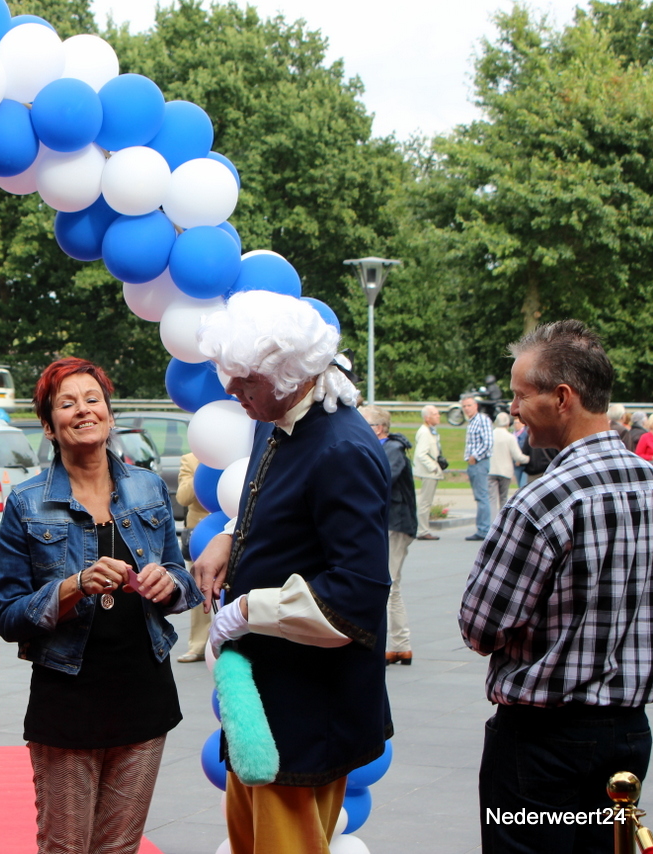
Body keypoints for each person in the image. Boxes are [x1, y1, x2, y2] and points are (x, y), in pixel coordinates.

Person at [193, 291, 392, 854]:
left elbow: (356, 593)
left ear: (290, 374)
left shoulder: (342, 448)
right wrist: (231, 538)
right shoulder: (276, 417)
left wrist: (245, 610)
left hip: (307, 706)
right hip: (268, 699)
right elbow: (290, 511)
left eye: (247, 380)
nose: (232, 391)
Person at [459, 319, 653, 854]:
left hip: (543, 743)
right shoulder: (650, 486)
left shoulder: (544, 500)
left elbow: (479, 627)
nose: (514, 408)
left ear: (563, 398)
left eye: (521, 395)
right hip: (629, 733)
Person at [0, 357, 200, 854]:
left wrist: (168, 583)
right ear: (49, 426)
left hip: (144, 693)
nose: (84, 410)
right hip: (68, 698)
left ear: (108, 413)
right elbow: (8, 615)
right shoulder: (26, 502)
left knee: (119, 847)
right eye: (67, 403)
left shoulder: (148, 487)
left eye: (93, 399)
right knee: (65, 847)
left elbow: (183, 581)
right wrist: (74, 586)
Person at [362, 405, 416, 665]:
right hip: (391, 522)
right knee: (390, 584)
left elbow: (381, 479)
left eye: (366, 424)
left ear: (379, 428)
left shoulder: (392, 449)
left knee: (390, 584)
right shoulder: (384, 447)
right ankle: (400, 646)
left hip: (396, 523)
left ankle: (398, 644)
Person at [176, 451, 211, 662]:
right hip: (200, 534)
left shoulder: (237, 455)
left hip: (233, 528)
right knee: (199, 586)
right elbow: (182, 497)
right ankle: (199, 644)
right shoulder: (190, 460)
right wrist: (202, 470)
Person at [462, 395, 494, 541]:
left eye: (469, 405)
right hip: (473, 463)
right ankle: (482, 528)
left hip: (480, 462)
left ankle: (483, 530)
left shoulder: (482, 420)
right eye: (464, 406)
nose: (466, 408)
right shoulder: (472, 422)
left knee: (482, 496)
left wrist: (474, 456)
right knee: (479, 496)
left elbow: (488, 443)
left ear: (476, 406)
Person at [412, 405, 443, 540]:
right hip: (428, 472)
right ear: (427, 418)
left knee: (426, 501)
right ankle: (422, 530)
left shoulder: (431, 431)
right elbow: (421, 454)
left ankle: (423, 529)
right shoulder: (425, 432)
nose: (438, 416)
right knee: (425, 502)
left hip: (430, 472)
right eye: (435, 414)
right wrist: (433, 467)